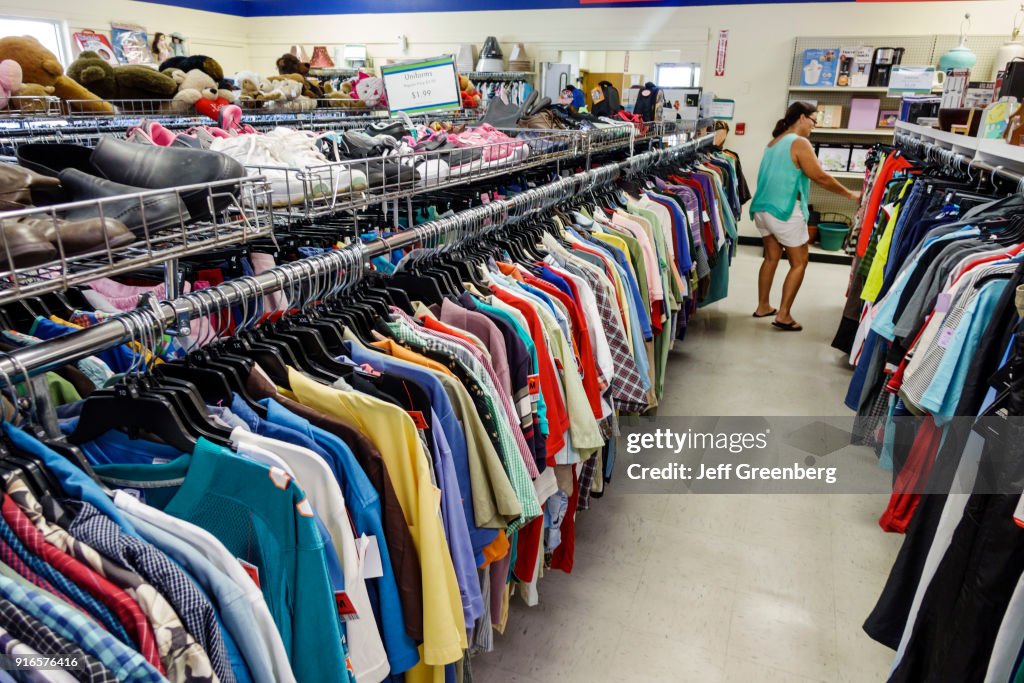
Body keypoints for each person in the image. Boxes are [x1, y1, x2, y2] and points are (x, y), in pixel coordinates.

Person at [749, 101, 860, 331]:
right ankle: (784, 315)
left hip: (762, 209)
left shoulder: (774, 142)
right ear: (801, 117)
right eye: (813, 120)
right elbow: (820, 177)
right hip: (785, 211)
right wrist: (850, 194)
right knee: (799, 263)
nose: (814, 126)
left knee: (771, 258)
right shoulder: (800, 143)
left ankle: (763, 306)